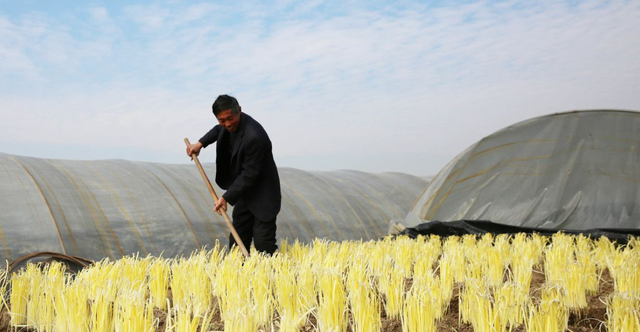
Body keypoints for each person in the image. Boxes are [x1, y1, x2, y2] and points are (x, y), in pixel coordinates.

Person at [186, 94, 281, 255]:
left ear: (240, 111)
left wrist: (226, 198)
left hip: (263, 193)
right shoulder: (225, 125)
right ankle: (240, 275)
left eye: (230, 118)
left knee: (263, 243)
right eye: (222, 120)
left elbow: (249, 174)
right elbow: (217, 131)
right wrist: (200, 144)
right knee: (238, 241)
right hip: (245, 192)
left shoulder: (255, 137)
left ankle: (273, 277)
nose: (227, 124)